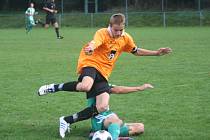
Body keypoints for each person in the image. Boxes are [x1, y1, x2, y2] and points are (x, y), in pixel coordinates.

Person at [38, 13, 172, 138]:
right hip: (91, 63)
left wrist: (156, 53)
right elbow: (95, 42)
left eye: (121, 30)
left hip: (104, 73)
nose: (118, 33)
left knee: (102, 107)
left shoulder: (125, 38)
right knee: (85, 86)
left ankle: (66, 120)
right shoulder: (102, 33)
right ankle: (54, 87)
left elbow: (135, 51)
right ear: (110, 26)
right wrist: (91, 47)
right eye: (116, 30)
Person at [88, 83, 153, 140]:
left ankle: (101, 134)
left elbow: (118, 88)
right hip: (99, 118)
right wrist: (139, 88)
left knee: (140, 127)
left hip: (107, 115)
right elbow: (118, 90)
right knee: (117, 121)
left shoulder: (103, 83)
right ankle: (113, 137)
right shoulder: (97, 83)